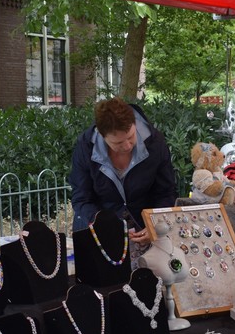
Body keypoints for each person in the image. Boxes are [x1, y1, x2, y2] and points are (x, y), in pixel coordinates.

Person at [70, 97, 177, 246]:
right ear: (102, 135)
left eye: (131, 136)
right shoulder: (85, 148)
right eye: (118, 143)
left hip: (145, 229)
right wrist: (105, 225)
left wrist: (155, 224)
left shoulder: (155, 143)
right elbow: (81, 199)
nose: (127, 146)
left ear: (134, 124)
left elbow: (166, 192)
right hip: (101, 233)